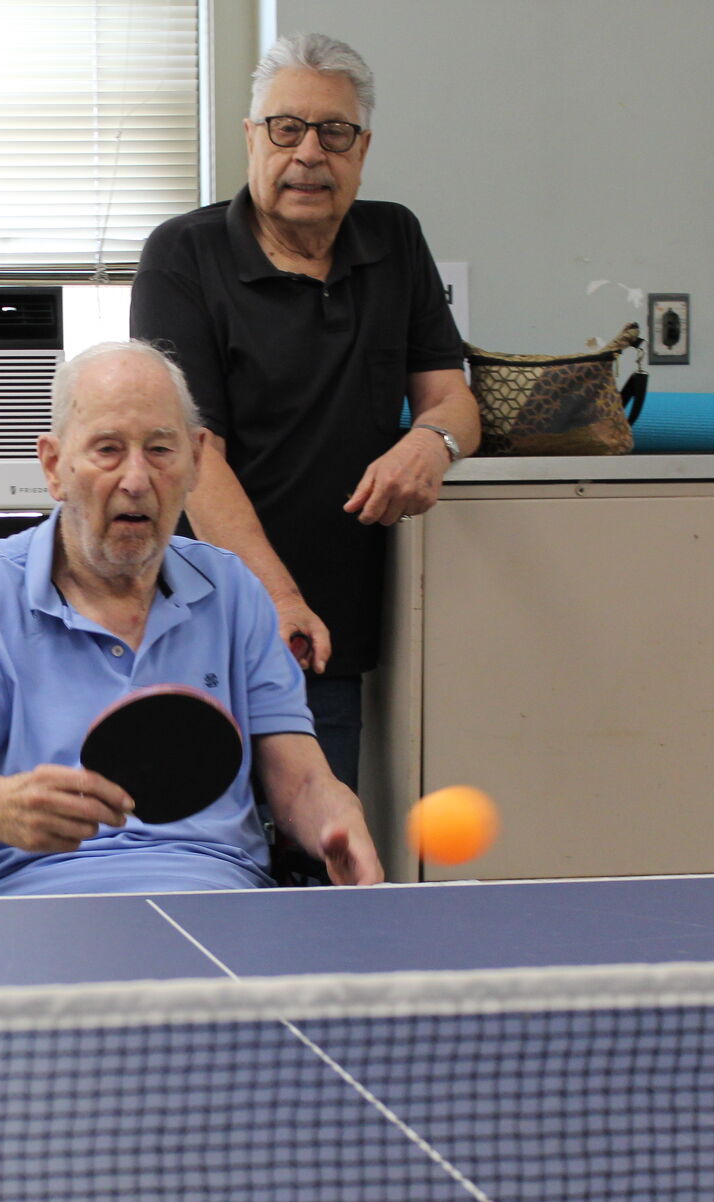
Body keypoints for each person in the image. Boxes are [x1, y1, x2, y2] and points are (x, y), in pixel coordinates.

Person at [0, 340, 383, 898]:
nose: (136, 479)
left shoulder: (236, 593)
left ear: (196, 460)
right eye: (108, 450)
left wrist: (338, 818)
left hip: (214, 898)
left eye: (160, 450)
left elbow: (303, 780)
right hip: (23, 906)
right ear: (54, 467)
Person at [130, 32, 479, 788]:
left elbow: (452, 399)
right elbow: (193, 455)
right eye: (286, 128)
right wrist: (279, 599)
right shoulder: (182, 256)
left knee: (320, 870)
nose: (309, 152)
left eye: (335, 131)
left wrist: (433, 442)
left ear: (362, 148)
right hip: (205, 625)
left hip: (337, 637)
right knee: (203, 859)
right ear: (252, 137)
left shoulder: (395, 239)